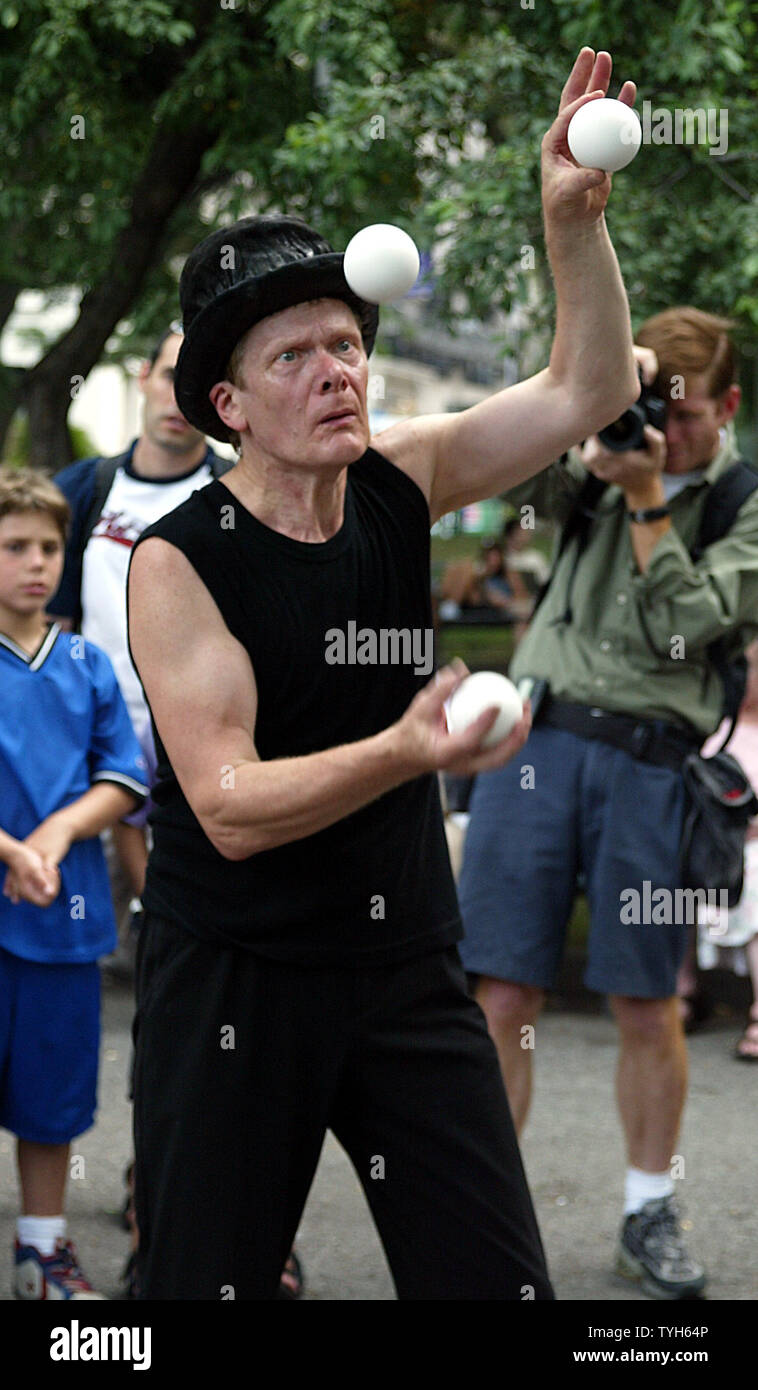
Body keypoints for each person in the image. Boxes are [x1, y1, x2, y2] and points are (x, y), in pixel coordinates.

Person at [127, 48, 640, 1299]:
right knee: (200, 1288)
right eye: (295, 354)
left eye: (346, 343)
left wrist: (568, 221)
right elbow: (231, 808)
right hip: (236, 974)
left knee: (490, 1281)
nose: (337, 370)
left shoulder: (400, 479)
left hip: (401, 958)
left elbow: (587, 387)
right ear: (228, 403)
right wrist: (409, 751)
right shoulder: (179, 560)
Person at [457, 305, 758, 1299]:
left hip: (649, 761)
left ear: (727, 404)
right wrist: (580, 441)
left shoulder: (742, 500)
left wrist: (644, 502)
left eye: (680, 417)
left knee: (644, 999)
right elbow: (503, 492)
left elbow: (692, 619)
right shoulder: (599, 453)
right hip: (534, 743)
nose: (659, 435)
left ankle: (646, 1208)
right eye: (646, 412)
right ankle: (483, 1218)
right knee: (500, 990)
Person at [0, 468, 148, 1299]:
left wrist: (56, 833)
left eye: (50, 547)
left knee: (51, 1103)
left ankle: (42, 1248)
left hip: (65, 921)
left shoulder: (88, 664)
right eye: (15, 546)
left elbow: (123, 779)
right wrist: (10, 850)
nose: (36, 563)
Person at [49, 328, 232, 965]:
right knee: (72, 947)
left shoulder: (240, 495)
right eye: (168, 376)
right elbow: (52, 625)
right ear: (143, 377)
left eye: (196, 383)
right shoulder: (82, 490)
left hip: (204, 766)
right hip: (93, 765)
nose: (178, 398)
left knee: (201, 953)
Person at [681, 639, 758, 1060]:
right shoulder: (715, 733)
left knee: (757, 878)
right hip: (716, 849)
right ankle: (681, 992)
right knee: (672, 884)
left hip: (754, 851)